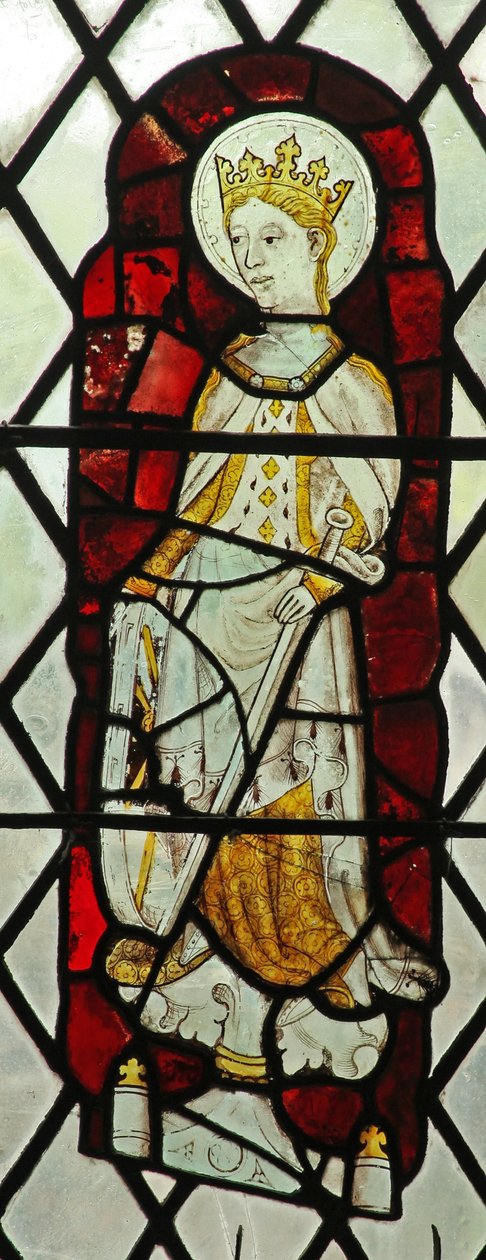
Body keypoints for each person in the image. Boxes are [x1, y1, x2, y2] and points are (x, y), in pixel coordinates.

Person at [100, 132, 438, 1198]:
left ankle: (270, 1069)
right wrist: (150, 589)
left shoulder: (358, 386)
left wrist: (322, 576)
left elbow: (370, 538)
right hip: (215, 632)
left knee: (290, 837)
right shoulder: (228, 375)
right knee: (205, 826)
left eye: (270, 238)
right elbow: (195, 510)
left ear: (324, 245)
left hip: (303, 651)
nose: (249, 258)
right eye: (237, 239)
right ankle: (226, 1069)